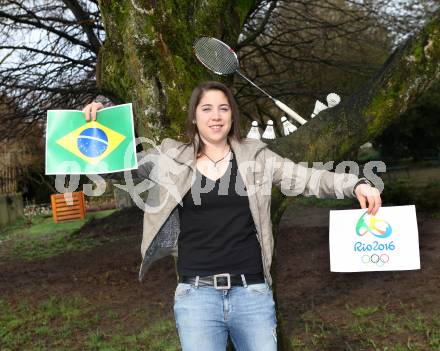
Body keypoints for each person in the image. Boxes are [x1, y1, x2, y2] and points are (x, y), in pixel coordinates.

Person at [82, 81, 381, 351]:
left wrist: (354, 183)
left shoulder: (256, 156)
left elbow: (306, 178)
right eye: (207, 108)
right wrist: (102, 124)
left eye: (223, 108)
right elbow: (120, 167)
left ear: (232, 116)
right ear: (194, 116)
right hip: (196, 297)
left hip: (251, 294)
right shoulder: (169, 156)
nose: (216, 116)